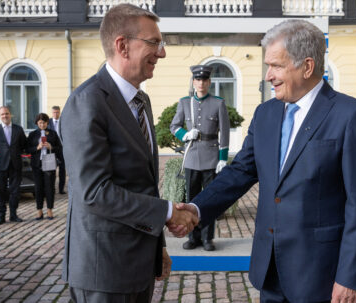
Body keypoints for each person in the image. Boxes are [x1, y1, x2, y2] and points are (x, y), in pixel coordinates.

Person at [178, 20, 356, 302]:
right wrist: (196, 208)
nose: (268, 76)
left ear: (307, 66)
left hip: (320, 275)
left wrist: (350, 277)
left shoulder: (351, 116)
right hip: (270, 269)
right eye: (267, 66)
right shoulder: (266, 114)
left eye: (276, 66)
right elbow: (240, 171)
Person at [59, 4, 198, 302]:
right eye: (154, 43)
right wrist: (169, 212)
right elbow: (94, 192)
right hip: (103, 271)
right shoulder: (87, 102)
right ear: (122, 45)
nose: (162, 53)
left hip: (138, 265)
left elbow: (142, 185)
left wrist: (156, 246)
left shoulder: (141, 100)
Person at [170, 65, 230, 251]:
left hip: (211, 157)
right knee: (191, 200)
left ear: (209, 82)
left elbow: (225, 132)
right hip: (192, 158)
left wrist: (223, 158)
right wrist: (185, 135)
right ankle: (193, 237)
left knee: (209, 200)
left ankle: (207, 238)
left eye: (204, 80)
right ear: (194, 82)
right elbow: (174, 126)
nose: (201, 83)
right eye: (198, 80)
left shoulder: (218, 103)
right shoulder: (185, 102)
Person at [0, 106, 27, 225]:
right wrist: (4, 155)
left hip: (15, 164)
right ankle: (1, 216)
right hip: (0, 165)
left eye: (7, 113)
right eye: (2, 114)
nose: (5, 116)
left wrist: (13, 154)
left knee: (15, 191)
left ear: (11, 114)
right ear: (0, 116)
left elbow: (23, 145)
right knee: (1, 191)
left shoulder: (18, 129)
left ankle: (13, 215)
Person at [26, 113, 61, 220]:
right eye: (40, 122)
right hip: (37, 164)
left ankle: (50, 210)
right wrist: (37, 147)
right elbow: (27, 149)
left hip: (49, 163)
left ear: (47, 123)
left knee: (50, 187)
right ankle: (39, 211)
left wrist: (51, 147)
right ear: (37, 123)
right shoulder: (32, 134)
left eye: (44, 122)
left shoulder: (53, 133)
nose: (42, 124)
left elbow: (59, 148)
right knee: (38, 188)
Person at [47, 105, 66, 194]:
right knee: (52, 169)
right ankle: (52, 188)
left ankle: (61, 189)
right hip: (52, 148)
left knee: (62, 169)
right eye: (54, 112)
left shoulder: (64, 121)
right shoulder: (48, 122)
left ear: (59, 112)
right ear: (52, 113)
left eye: (57, 112)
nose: (55, 114)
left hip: (62, 148)